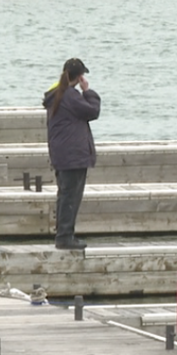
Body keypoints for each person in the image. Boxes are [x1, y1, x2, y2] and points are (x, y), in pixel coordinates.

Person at [43, 58, 100, 251]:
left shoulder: (58, 95)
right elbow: (93, 111)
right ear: (79, 77)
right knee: (70, 197)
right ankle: (65, 237)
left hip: (62, 154)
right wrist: (88, 92)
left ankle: (64, 234)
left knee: (65, 195)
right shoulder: (71, 96)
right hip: (73, 156)